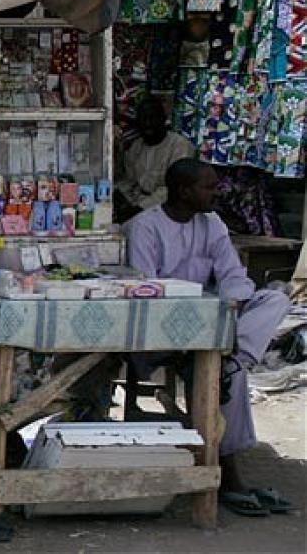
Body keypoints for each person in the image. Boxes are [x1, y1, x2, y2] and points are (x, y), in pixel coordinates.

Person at [125, 158, 293, 516]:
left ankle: (230, 360)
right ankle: (230, 478)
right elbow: (148, 290)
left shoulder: (212, 223)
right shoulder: (145, 227)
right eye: (209, 187)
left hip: (214, 326)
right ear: (184, 191)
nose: (216, 194)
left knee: (275, 299)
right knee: (230, 376)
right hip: (165, 329)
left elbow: (232, 273)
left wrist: (232, 303)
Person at [115, 100, 194, 222]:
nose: (148, 124)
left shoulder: (179, 146)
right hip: (138, 207)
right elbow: (129, 182)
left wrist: (141, 208)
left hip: (168, 211)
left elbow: (175, 189)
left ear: (163, 119)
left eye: (152, 118)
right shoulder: (136, 146)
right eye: (143, 119)